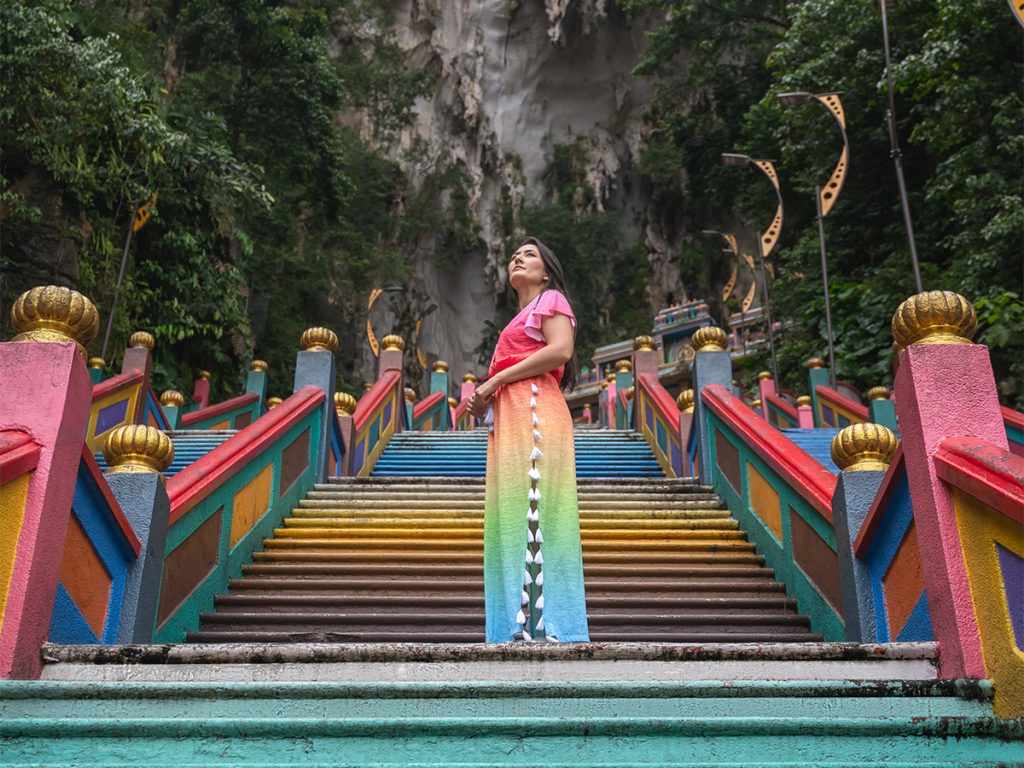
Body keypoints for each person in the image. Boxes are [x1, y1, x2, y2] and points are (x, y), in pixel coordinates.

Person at [468, 237, 589, 642]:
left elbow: (560, 350)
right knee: (509, 515)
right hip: (510, 419)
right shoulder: (516, 324)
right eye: (514, 255)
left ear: (547, 272)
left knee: (540, 511)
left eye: (529, 254)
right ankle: (512, 627)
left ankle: (553, 627)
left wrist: (497, 378)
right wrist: (484, 406)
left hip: (538, 412)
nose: (518, 258)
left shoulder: (551, 301)